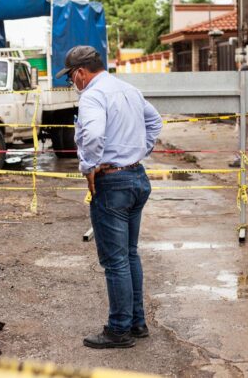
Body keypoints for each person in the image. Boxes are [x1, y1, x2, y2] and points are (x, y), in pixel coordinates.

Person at [56, 46, 162, 349]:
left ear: (80, 73)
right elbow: (155, 123)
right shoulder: (127, 89)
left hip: (112, 182)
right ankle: (137, 322)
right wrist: (139, 151)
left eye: (71, 79)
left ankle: (118, 329)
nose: (72, 85)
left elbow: (92, 135)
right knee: (129, 254)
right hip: (137, 177)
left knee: (116, 261)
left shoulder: (92, 95)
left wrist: (88, 167)